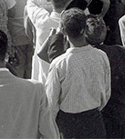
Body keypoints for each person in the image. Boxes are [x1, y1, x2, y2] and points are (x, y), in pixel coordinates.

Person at [45, 8, 110, 138]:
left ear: (63, 30)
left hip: (70, 126)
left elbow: (51, 104)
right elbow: (106, 93)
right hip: (94, 121)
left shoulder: (59, 63)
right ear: (86, 28)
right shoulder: (101, 56)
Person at [84, 16, 125, 139]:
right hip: (120, 114)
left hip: (94, 118)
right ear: (105, 30)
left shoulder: (81, 56)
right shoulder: (120, 52)